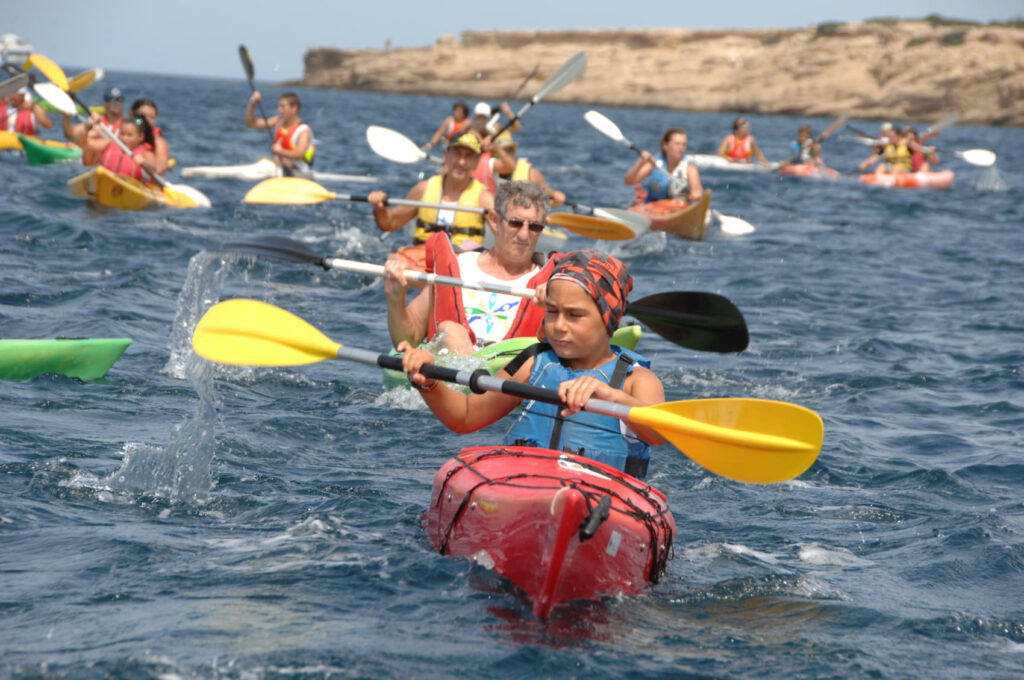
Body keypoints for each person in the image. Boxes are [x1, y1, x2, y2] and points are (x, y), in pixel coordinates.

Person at [398, 249, 666, 479]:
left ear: (610, 320)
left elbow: (660, 433)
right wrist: (429, 383)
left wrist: (611, 395)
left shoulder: (636, 380)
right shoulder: (533, 364)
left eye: (575, 315)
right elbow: (466, 416)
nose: (559, 326)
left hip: (604, 503)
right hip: (527, 489)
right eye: (552, 312)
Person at [383, 180, 555, 357]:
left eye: (534, 226)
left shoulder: (551, 283)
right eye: (515, 223)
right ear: (495, 220)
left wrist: (553, 306)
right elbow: (408, 339)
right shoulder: (457, 267)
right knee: (450, 331)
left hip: (511, 375)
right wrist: (396, 298)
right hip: (450, 371)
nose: (524, 234)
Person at [368, 132, 494, 272]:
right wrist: (379, 208)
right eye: (457, 154)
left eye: (468, 156)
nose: (461, 162)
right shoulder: (423, 189)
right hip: (422, 265)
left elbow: (507, 234)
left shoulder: (484, 198)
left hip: (462, 268)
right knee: (394, 260)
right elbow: (389, 223)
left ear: (476, 162)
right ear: (446, 156)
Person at [623, 127, 703, 203]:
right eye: (677, 144)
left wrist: (696, 194)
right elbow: (628, 181)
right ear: (665, 145)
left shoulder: (690, 169)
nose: (681, 148)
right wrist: (640, 163)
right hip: (653, 207)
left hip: (678, 207)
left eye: (683, 144)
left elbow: (697, 189)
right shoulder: (654, 164)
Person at [245, 90, 315, 174]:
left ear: (294, 108)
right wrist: (252, 103)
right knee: (264, 161)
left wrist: (280, 151)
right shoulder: (278, 121)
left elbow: (299, 154)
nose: (279, 109)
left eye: (283, 107)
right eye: (279, 106)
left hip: (299, 171)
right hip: (281, 167)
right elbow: (251, 124)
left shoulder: (303, 130)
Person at [489, 132, 565, 206]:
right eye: (496, 153)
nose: (502, 157)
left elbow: (554, 196)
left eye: (507, 152)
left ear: (513, 152)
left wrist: (555, 196)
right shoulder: (485, 168)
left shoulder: (531, 173)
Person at [95, 115, 157, 181]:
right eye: (122, 134)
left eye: (129, 135)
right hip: (105, 183)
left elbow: (155, 168)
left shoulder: (146, 153)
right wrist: (88, 126)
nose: (124, 138)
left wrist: (144, 162)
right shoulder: (109, 144)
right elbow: (87, 144)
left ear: (141, 137)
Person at [64, 86, 123, 151]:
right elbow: (70, 134)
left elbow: (136, 121)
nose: (118, 103)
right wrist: (66, 118)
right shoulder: (97, 121)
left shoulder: (127, 122)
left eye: (120, 100)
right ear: (106, 103)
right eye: (113, 100)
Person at [130, 98, 170, 174]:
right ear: (132, 114)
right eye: (143, 116)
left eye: (151, 117)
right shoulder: (121, 133)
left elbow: (160, 169)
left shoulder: (158, 142)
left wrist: (145, 162)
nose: (147, 120)